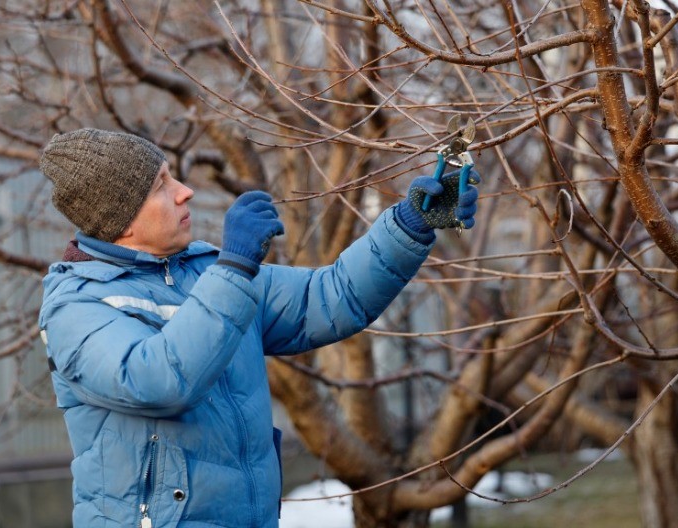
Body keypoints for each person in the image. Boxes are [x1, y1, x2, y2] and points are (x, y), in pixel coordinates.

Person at [38, 128, 480, 528]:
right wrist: (233, 268)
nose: (185, 192)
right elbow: (158, 381)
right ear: (124, 220)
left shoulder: (205, 272)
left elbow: (330, 297)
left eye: (174, 178)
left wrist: (410, 226)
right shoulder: (75, 307)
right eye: (161, 186)